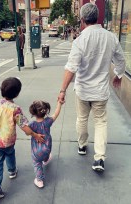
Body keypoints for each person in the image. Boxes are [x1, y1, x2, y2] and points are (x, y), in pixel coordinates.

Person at [57, 3, 126, 172]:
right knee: (100, 121)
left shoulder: (80, 40)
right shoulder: (110, 37)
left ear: (82, 20)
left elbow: (71, 68)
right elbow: (121, 60)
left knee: (82, 118)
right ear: (98, 18)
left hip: (82, 90)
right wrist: (118, 75)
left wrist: (62, 90)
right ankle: (99, 158)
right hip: (100, 91)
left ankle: (82, 146)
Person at [0, 77, 44, 199]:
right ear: (17, 93)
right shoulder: (15, 109)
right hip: (8, 141)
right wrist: (35, 135)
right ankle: (12, 171)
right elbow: (24, 126)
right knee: (10, 154)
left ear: (1, 90)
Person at [28, 100, 62, 188]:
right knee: (46, 153)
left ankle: (39, 180)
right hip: (47, 147)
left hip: (36, 151)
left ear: (34, 112)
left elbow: (27, 132)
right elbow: (56, 113)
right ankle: (46, 160)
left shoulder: (32, 124)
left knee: (37, 163)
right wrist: (59, 103)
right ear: (46, 111)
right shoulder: (48, 121)